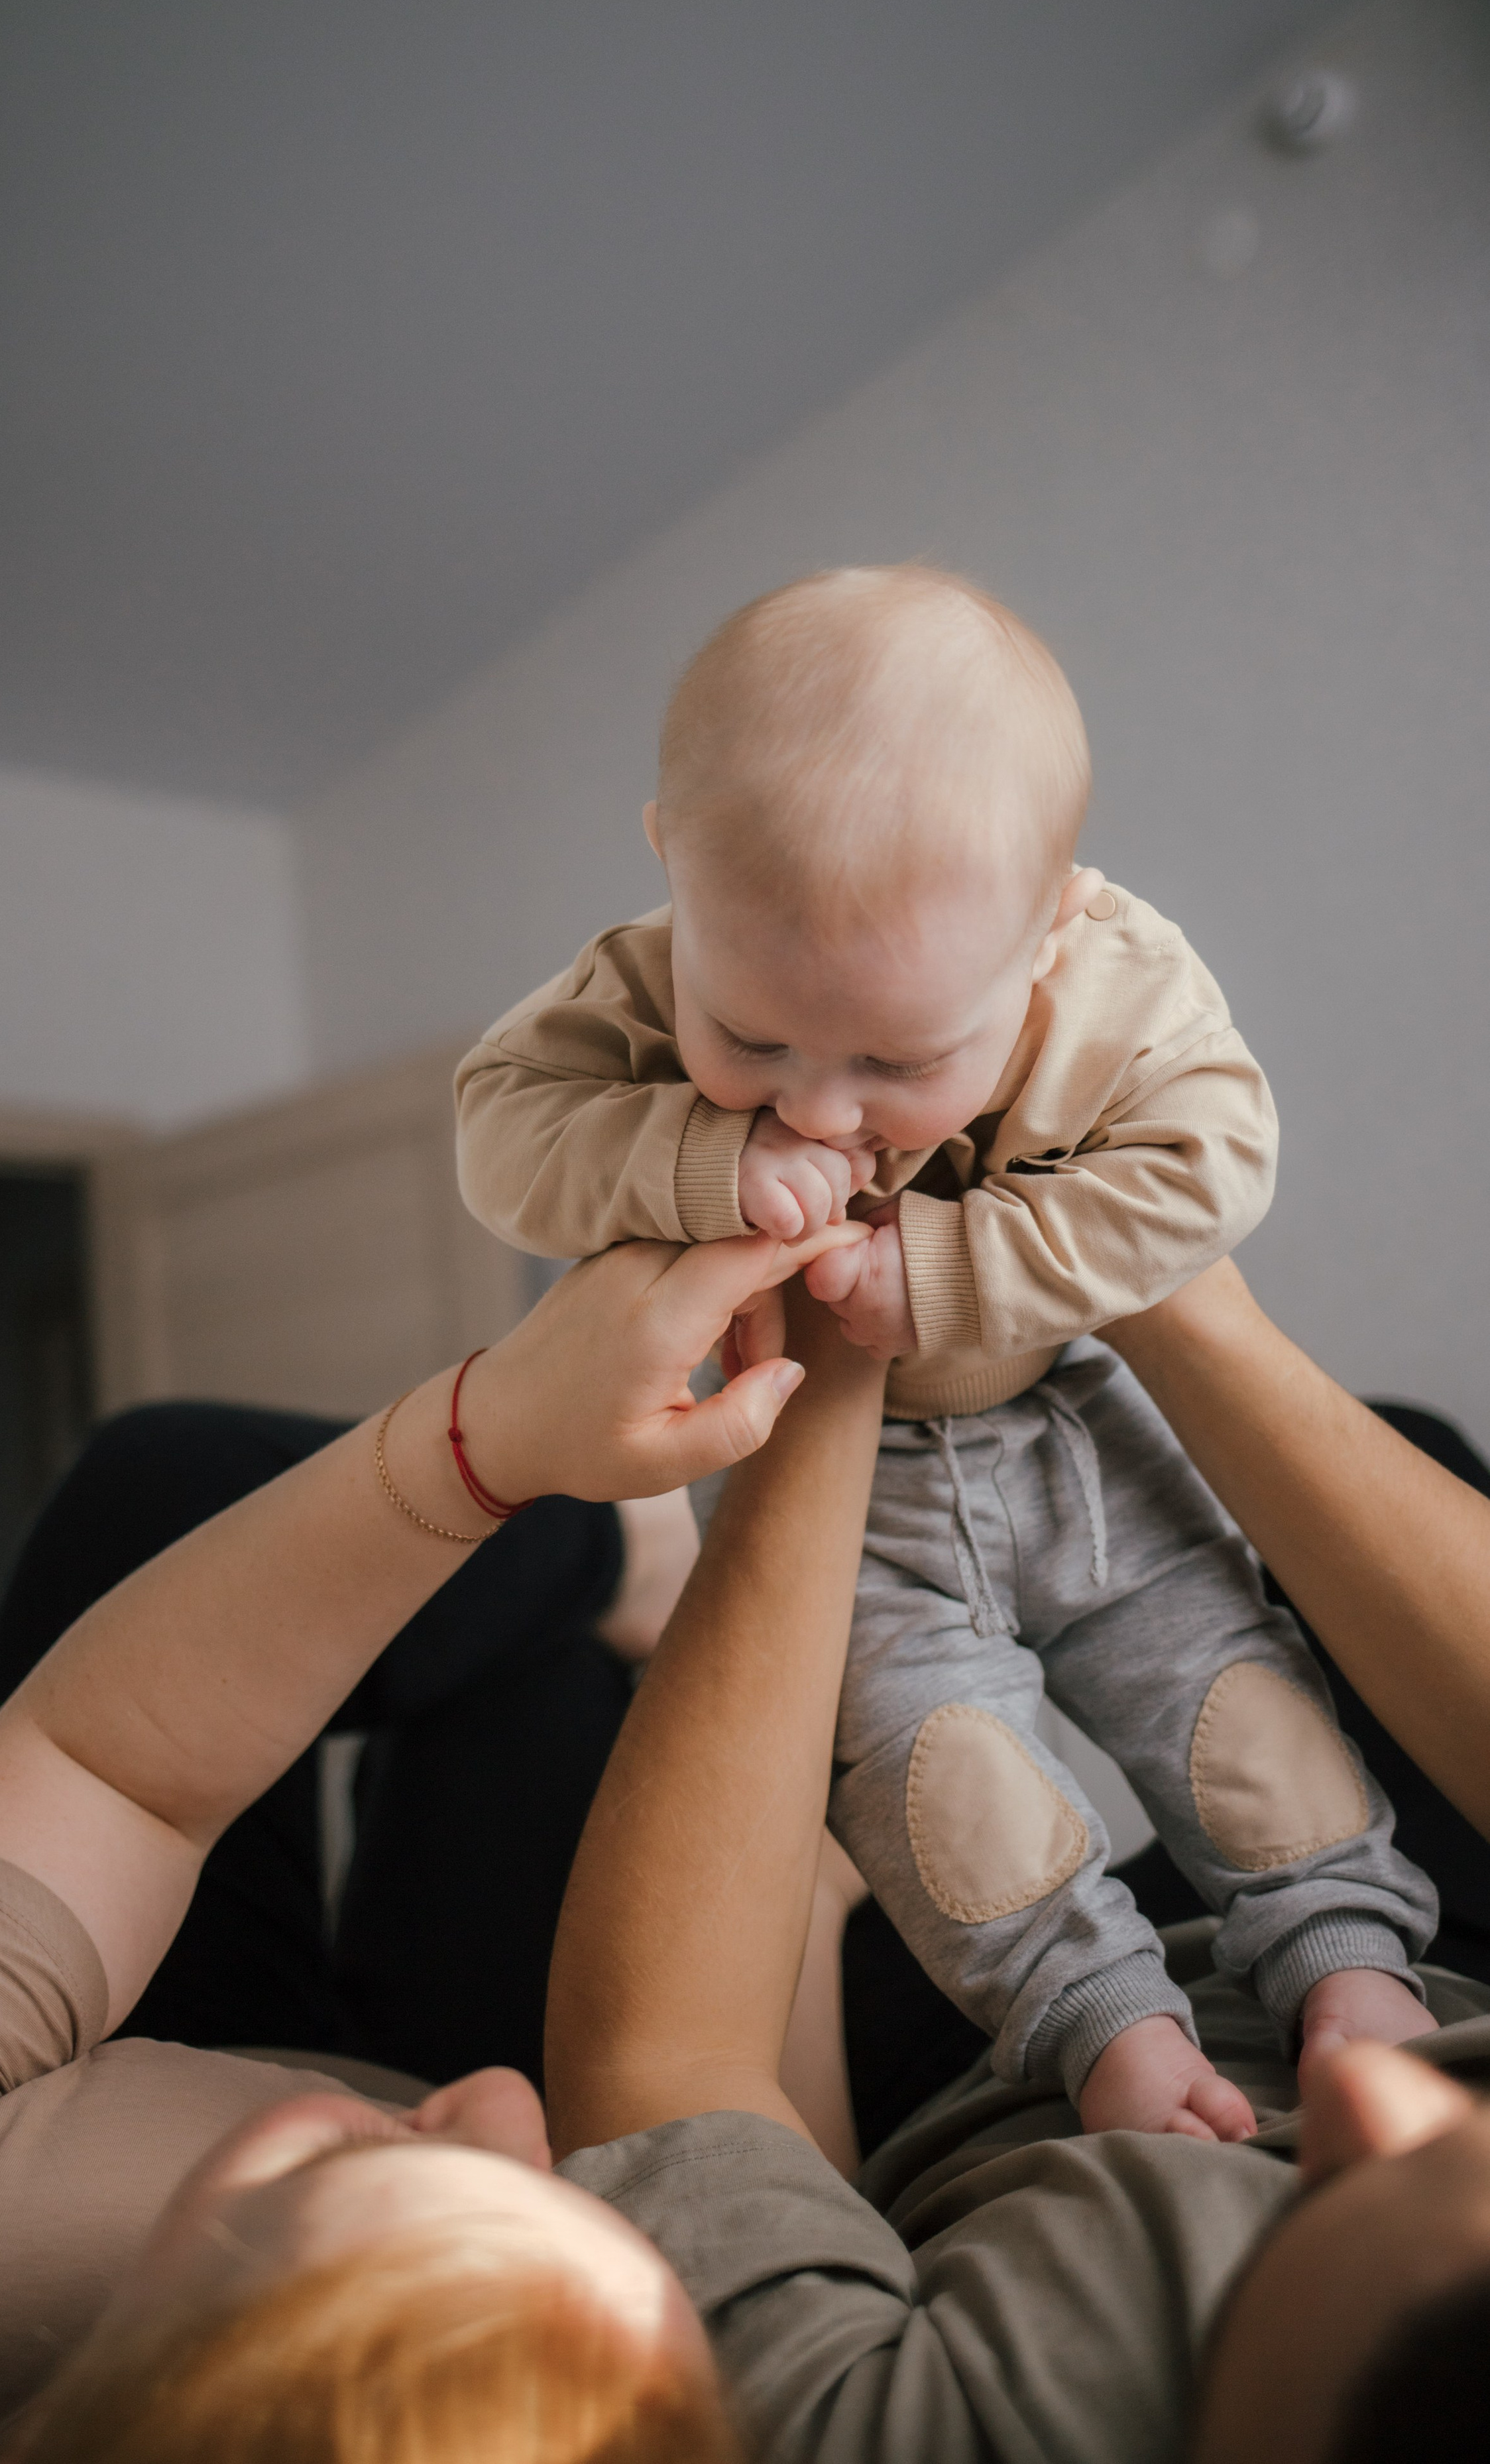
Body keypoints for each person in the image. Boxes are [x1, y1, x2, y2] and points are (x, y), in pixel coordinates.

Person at [454, 560, 1434, 2136]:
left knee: (1226, 1693)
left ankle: (1343, 1958)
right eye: (753, 1039)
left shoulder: (1113, 980)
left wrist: (957, 1263)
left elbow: (1214, 1163)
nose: (816, 1106)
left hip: (1078, 1434)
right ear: (671, 871)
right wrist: (698, 1166)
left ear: (1047, 925)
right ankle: (1097, 2023)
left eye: (898, 1059)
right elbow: (501, 1140)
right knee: (931, 1778)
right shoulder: (635, 981)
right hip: (856, 1505)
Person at [0, 1227, 850, 2464]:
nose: (508, 2111)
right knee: (555, 1692)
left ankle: (630, 1556)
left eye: (366, 2163)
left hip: (104, 2073)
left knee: (154, 1481)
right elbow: (778, 2184)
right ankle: (626, 1582)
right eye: (565, 2204)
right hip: (558, 2045)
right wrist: (811, 1879)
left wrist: (490, 1437)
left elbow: (109, 1770)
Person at [545, 1268, 1490, 2464]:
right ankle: (638, 1568)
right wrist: (1158, 1276)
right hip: (1423, 1950)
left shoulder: (920, 2436)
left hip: (970, 2062)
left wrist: (828, 1377)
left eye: (1340, 2202)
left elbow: (660, 2068)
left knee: (543, 1708)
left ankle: (626, 1566)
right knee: (1408, 1453)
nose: (1354, 2093)